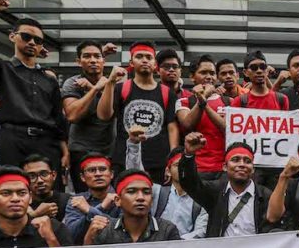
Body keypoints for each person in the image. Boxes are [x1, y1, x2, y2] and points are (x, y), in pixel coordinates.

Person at [0, 0, 69, 177]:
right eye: (26, 36)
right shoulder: (3, 68)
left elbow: (58, 118)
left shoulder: (49, 78)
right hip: (12, 138)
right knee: (12, 182)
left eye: (38, 40)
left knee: (50, 188)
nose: (32, 42)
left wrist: (65, 149)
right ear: (12, 37)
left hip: (47, 141)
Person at [97, 41, 179, 183]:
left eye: (149, 57)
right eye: (139, 56)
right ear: (131, 63)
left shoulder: (167, 93)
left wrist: (172, 161)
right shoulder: (121, 88)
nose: (144, 60)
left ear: (155, 64)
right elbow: (103, 116)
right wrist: (110, 82)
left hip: (159, 163)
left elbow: (172, 128)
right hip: (125, 161)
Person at [178, 133, 276, 237]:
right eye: (235, 160)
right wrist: (188, 154)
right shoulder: (215, 192)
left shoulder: (266, 196)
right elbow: (189, 184)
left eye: (247, 161)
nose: (242, 164)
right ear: (225, 167)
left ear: (253, 169)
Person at [0, 166, 72, 248]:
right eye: (6, 193)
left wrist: (50, 239)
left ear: (30, 198)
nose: (15, 199)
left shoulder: (55, 230)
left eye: (22, 193)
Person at [229, 51, 291, 190]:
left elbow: (287, 132)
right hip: (252, 165)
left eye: (262, 67)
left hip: (276, 164)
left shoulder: (281, 99)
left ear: (267, 70)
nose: (259, 71)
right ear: (246, 72)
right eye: (253, 67)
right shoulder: (239, 101)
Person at [61, 40, 114, 193]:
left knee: (112, 198)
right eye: (87, 56)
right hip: (81, 151)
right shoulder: (73, 83)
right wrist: (94, 89)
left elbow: (109, 113)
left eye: (97, 56)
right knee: (84, 197)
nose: (92, 60)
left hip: (110, 151)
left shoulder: (112, 83)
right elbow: (72, 115)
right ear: (78, 61)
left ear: (103, 60)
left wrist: (96, 86)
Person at [84, 169, 180, 245]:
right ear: (118, 200)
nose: (140, 197)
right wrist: (88, 239)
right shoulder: (105, 231)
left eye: (146, 192)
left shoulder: (166, 230)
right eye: (131, 191)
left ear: (151, 200)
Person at [177, 55, 229, 180]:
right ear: (192, 76)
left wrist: (203, 99)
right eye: (203, 72)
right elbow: (187, 124)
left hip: (224, 169)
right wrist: (204, 96)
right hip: (196, 169)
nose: (209, 77)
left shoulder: (229, 102)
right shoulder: (183, 102)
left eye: (212, 73)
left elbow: (228, 129)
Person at [148, 148, 208, 239]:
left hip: (185, 246)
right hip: (156, 244)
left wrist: (177, 242)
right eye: (177, 165)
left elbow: (201, 231)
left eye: (187, 165)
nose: (182, 169)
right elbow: (136, 177)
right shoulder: (157, 192)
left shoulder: (202, 199)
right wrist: (134, 145)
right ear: (168, 171)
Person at [63, 152, 121, 244]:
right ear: (82, 177)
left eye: (102, 169)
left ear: (111, 174)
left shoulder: (121, 198)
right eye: (91, 170)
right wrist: (102, 207)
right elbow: (71, 236)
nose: (98, 174)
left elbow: (122, 232)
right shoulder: (76, 200)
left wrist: (89, 210)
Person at [22, 154, 69, 222]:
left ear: (53, 175)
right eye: (32, 176)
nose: (39, 180)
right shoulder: (20, 204)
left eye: (44, 174)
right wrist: (35, 214)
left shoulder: (68, 201)